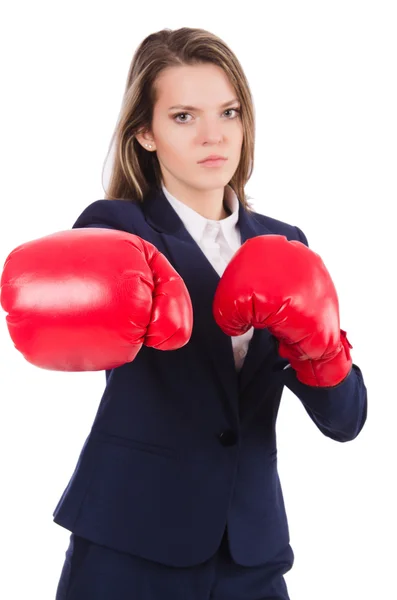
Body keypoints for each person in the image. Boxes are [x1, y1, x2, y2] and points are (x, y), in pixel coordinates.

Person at [0, 26, 368, 600]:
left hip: (251, 549)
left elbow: (345, 420)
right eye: (183, 117)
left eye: (228, 112)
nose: (213, 135)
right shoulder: (117, 228)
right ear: (144, 133)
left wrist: (320, 350)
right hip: (132, 539)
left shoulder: (286, 244)